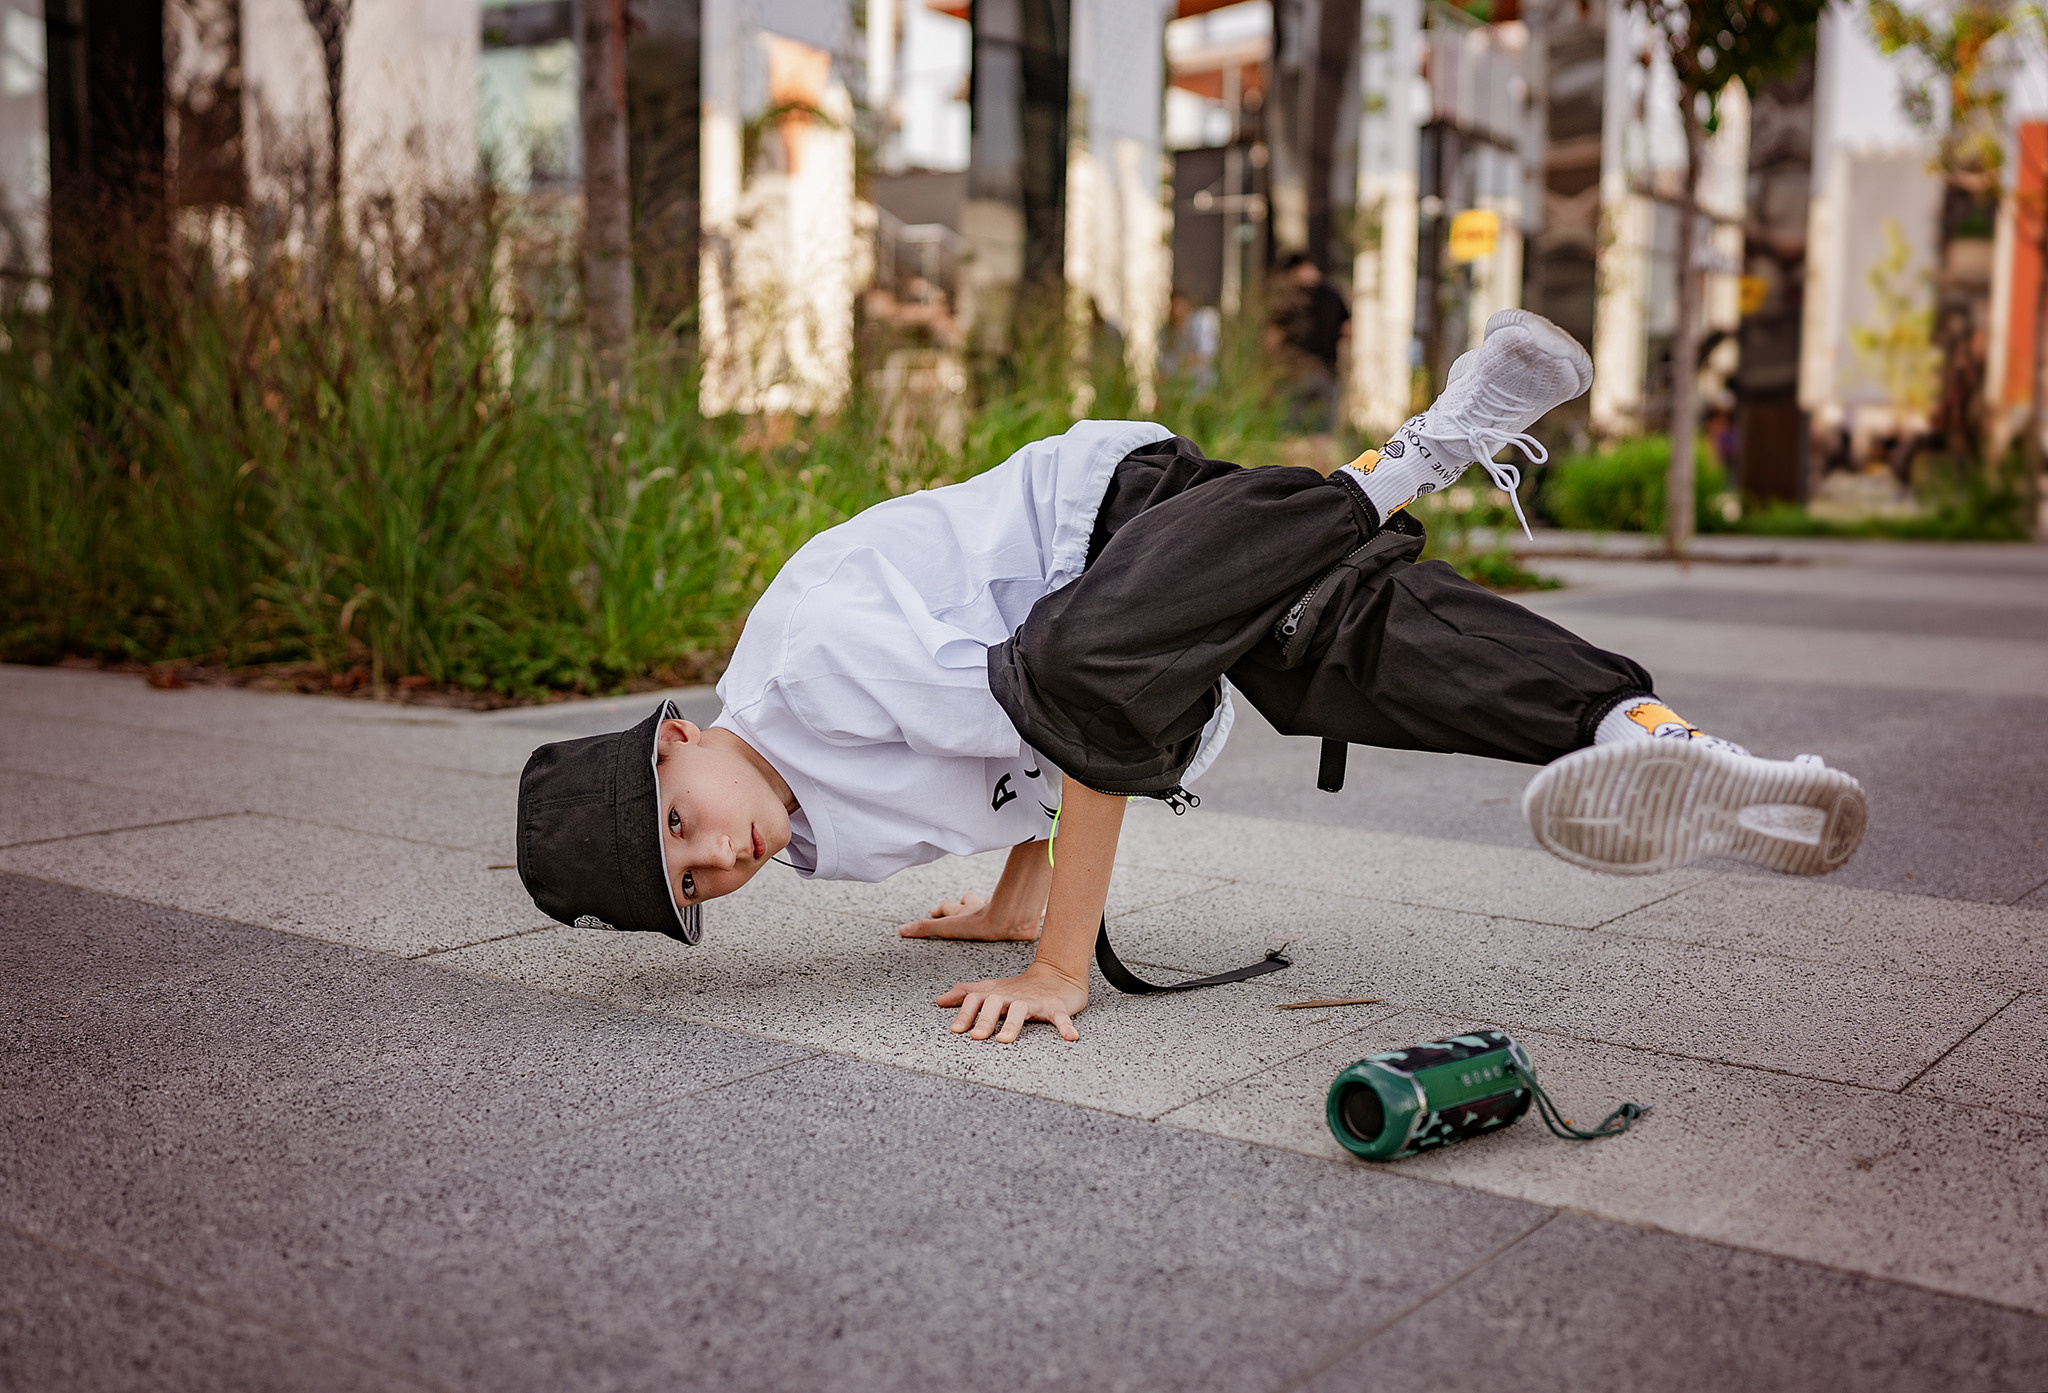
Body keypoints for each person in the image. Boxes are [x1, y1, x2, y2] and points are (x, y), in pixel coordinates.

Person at [516, 310, 1868, 1045]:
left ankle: (1406, 461)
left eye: (677, 819)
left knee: (1086, 658)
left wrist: (1059, 965)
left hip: (1121, 518)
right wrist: (1010, 897)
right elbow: (1019, 772)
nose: (715, 857)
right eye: (694, 884)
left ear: (680, 733)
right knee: (1373, 659)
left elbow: (1077, 712)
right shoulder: (814, 834)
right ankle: (1675, 744)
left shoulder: (807, 667)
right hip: (1177, 609)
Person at [1265, 251, 1350, 433]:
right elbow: (1348, 330)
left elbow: (1272, 338)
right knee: (1323, 432)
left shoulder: (1290, 297)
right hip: (1327, 370)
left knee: (1291, 429)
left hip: (1295, 373)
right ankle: (1320, 463)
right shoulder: (1334, 293)